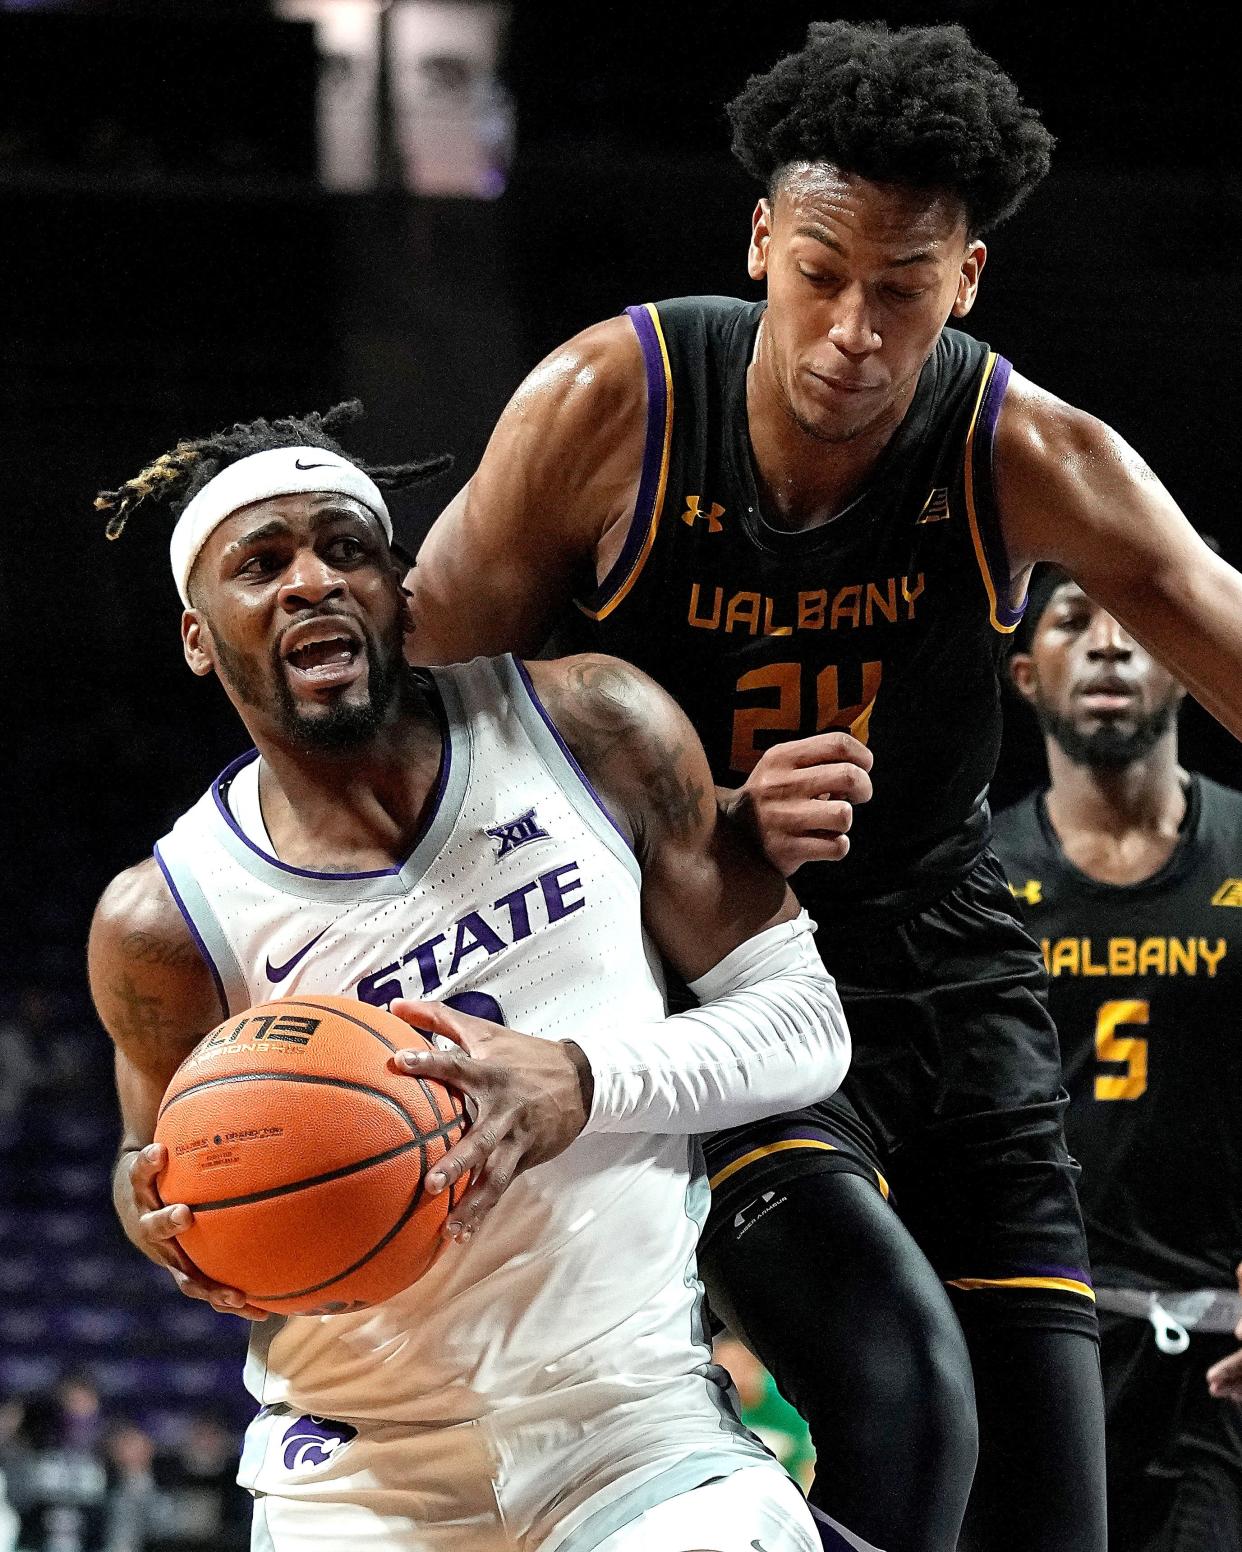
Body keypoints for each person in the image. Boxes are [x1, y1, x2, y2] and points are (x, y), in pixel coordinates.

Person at [404, 19, 1242, 1551]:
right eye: (820, 272)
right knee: (902, 1397)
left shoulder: (1020, 448)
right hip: (702, 973)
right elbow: (422, 736)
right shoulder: (610, 405)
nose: (853, 328)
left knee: (1054, 1514)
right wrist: (699, 808)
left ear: (966, 281)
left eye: (902, 288)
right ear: (759, 242)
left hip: (945, 965)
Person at [86, 402, 855, 1552]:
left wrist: (580, 1079)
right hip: (358, 1469)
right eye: (264, 563)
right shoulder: (162, 919)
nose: (312, 582)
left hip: (633, 1426)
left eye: (347, 548)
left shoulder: (591, 725)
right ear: (200, 635)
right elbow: (158, 1183)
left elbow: (805, 1024)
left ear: (400, 589)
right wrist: (169, 1219)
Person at [993, 569, 1242, 1548]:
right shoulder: (978, 874)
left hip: (1220, 1364)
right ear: (1024, 673)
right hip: (1036, 1349)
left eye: (1136, 619)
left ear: (1187, 666)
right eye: (1071, 619)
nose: (1107, 642)